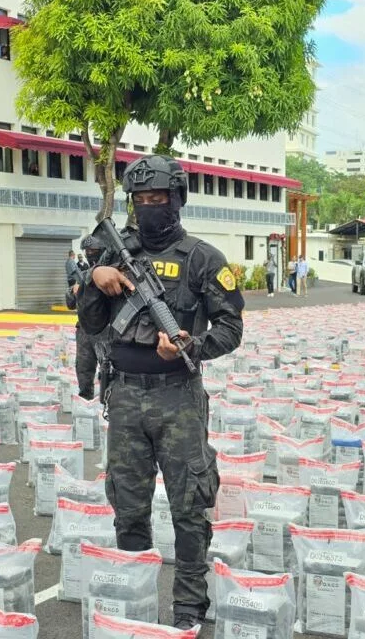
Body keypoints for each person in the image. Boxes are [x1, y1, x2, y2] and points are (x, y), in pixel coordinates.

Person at [78, 154, 244, 630]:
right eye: (141, 199)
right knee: (128, 506)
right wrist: (93, 279)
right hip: (125, 397)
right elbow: (90, 322)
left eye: (159, 198)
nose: (150, 206)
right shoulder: (113, 255)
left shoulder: (203, 259)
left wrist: (193, 345)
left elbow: (231, 328)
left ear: (177, 199)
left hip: (178, 399)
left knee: (189, 506)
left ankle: (189, 605)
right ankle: (135, 601)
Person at [65, 235, 106, 399]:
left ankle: (107, 401)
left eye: (93, 250)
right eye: (87, 251)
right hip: (84, 330)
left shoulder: (110, 274)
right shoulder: (83, 274)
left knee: (107, 369)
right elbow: (70, 303)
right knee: (83, 367)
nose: (89, 254)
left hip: (105, 329)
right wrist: (74, 291)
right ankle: (85, 400)